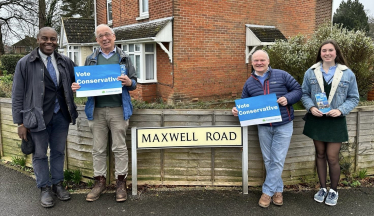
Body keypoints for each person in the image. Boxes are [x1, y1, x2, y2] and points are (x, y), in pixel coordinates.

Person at [12, 27, 78, 208]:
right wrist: (20, 122)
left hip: (61, 116)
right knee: (40, 154)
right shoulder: (25, 63)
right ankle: (45, 188)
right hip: (36, 118)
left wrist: (80, 86)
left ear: (57, 41)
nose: (49, 42)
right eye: (45, 38)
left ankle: (57, 184)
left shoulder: (65, 62)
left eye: (53, 39)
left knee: (58, 152)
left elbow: (79, 80)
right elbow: (17, 94)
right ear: (38, 39)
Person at [71, 24, 137, 202]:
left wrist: (129, 82)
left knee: (120, 148)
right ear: (97, 40)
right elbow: (84, 84)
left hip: (118, 110)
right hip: (97, 110)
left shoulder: (124, 58)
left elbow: (135, 83)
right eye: (100, 36)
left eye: (107, 34)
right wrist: (78, 87)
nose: (104, 38)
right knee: (98, 149)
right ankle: (99, 182)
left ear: (114, 36)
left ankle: (120, 183)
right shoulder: (90, 59)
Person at [232, 50, 302, 208]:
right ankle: (278, 191)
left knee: (277, 159)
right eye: (256, 60)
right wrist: (237, 110)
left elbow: (298, 90)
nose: (259, 63)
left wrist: (288, 99)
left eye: (262, 60)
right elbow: (245, 103)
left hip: (284, 124)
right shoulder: (249, 82)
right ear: (252, 63)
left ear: (268, 61)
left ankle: (267, 192)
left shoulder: (282, 75)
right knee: (269, 159)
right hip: (263, 127)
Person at [301, 40, 359, 206]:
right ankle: (323, 188)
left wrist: (341, 110)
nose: (327, 53)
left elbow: (354, 97)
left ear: (336, 52)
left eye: (330, 50)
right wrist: (311, 108)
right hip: (316, 119)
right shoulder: (311, 72)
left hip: (336, 120)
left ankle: (333, 190)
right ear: (320, 53)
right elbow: (304, 93)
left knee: (332, 157)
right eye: (324, 50)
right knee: (319, 154)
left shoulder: (347, 73)